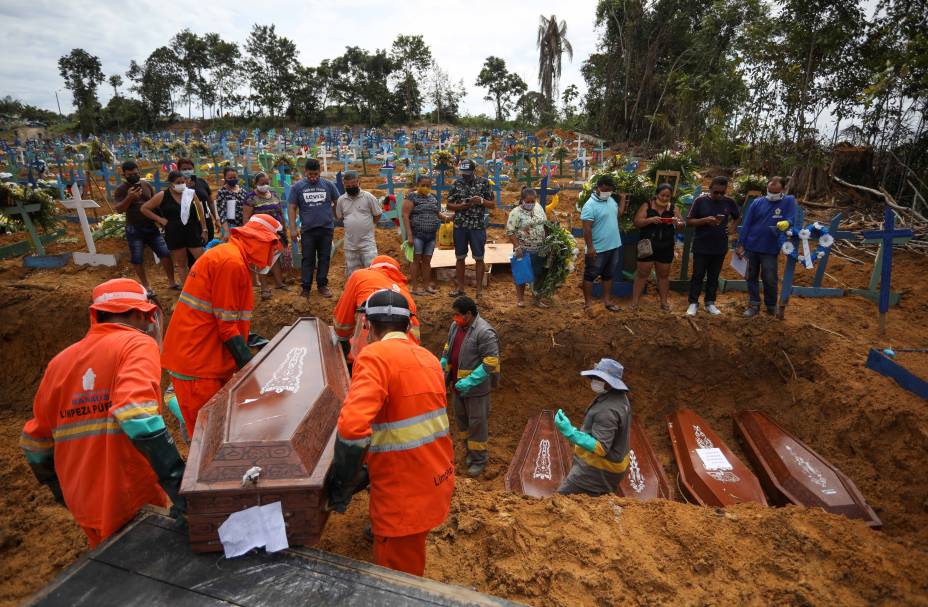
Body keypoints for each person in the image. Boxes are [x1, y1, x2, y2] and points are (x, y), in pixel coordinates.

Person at [20, 278, 186, 547]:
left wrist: (59, 489)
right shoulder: (136, 345)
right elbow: (135, 412)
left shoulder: (59, 362)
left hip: (82, 500)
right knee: (146, 573)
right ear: (139, 313)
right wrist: (177, 481)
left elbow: (34, 442)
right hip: (128, 494)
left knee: (110, 575)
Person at [325, 289, 454, 577]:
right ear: (408, 326)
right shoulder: (429, 359)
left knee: (398, 580)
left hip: (402, 497)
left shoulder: (374, 357)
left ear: (368, 326)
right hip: (435, 479)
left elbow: (351, 428)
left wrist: (342, 486)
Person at [161, 214, 284, 431]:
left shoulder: (229, 257)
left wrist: (256, 342)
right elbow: (226, 326)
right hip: (199, 364)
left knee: (214, 428)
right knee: (208, 435)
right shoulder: (231, 263)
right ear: (260, 241)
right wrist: (254, 371)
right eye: (273, 251)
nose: (272, 258)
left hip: (204, 357)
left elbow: (227, 318)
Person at [440, 296, 500, 477]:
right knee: (463, 422)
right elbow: (448, 346)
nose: (455, 318)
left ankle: (479, 459)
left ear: (468, 314)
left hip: (476, 390)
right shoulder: (455, 327)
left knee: (477, 424)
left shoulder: (485, 332)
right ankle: (469, 452)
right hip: (458, 387)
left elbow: (490, 362)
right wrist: (444, 359)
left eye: (458, 315)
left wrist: (471, 381)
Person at [554, 358, 631, 496]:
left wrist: (570, 432)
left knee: (560, 501)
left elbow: (600, 447)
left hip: (596, 471)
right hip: (613, 467)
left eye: (599, 378)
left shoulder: (607, 411)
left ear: (610, 383)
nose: (594, 381)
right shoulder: (620, 398)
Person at [333, 255, 421, 365]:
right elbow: (415, 335)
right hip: (409, 356)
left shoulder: (360, 276)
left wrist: (343, 343)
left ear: (373, 267)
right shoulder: (404, 292)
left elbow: (342, 321)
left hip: (370, 354)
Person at [736, 176, 797, 316]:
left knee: (769, 277)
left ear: (783, 189)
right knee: (750, 276)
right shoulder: (757, 202)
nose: (772, 194)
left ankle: (771, 306)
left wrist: (787, 223)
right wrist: (740, 243)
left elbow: (791, 218)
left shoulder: (788, 201)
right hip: (751, 246)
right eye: (770, 190)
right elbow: (747, 224)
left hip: (770, 248)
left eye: (775, 192)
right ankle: (754, 304)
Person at [113, 160, 177, 291]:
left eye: (136, 173)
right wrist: (130, 197)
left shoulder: (146, 185)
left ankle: (172, 282)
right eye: (130, 174)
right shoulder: (121, 190)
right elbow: (119, 209)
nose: (133, 176)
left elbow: (155, 204)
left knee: (165, 253)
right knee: (137, 258)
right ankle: (146, 286)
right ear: (124, 175)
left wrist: (161, 220)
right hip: (134, 228)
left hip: (151, 226)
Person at [140, 170, 207, 286]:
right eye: (178, 182)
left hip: (192, 230)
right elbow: (144, 208)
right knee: (181, 263)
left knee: (202, 260)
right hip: (174, 233)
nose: (181, 184)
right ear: (171, 183)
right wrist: (160, 220)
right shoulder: (162, 195)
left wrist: (204, 229)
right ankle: (187, 289)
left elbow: (201, 212)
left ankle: (206, 285)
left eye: (183, 181)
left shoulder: (190, 193)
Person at [686, 176, 740, 316]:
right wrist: (704, 220)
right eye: (716, 192)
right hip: (701, 244)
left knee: (714, 276)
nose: (719, 195)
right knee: (698, 275)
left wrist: (733, 227)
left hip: (720, 245)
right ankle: (693, 302)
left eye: (722, 192)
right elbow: (690, 221)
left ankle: (710, 302)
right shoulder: (700, 201)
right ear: (710, 188)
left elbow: (737, 217)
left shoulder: (729, 202)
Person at [288, 158, 341, 299]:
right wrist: (293, 228)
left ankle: (322, 285)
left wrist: (336, 214)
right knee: (308, 259)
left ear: (320, 172)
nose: (313, 177)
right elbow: (292, 207)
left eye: (316, 174)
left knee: (324, 258)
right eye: (310, 174)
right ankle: (306, 287)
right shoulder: (297, 187)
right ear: (305, 172)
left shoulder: (328, 185)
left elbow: (338, 201)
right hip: (308, 230)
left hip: (326, 228)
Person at [631, 183, 684, 311]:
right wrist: (650, 220)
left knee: (664, 274)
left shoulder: (673, 208)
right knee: (642, 273)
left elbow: (681, 225)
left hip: (665, 245)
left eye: (668, 196)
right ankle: (635, 302)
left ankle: (664, 302)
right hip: (647, 245)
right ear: (657, 194)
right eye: (662, 195)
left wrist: (678, 222)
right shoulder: (647, 205)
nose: (665, 198)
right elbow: (637, 222)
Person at [446, 159, 494, 299]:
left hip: (477, 226)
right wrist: (460, 206)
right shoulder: (456, 183)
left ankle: (479, 291)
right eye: (463, 173)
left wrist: (481, 201)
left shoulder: (484, 183)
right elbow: (449, 204)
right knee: (460, 257)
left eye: (468, 173)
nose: (465, 176)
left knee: (479, 258)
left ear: (474, 171)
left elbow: (492, 204)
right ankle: (460, 289)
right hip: (460, 225)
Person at [581, 175, 624, 312]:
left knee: (608, 275)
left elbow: (617, 214)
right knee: (590, 275)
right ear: (598, 187)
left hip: (613, 246)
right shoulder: (589, 205)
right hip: (598, 249)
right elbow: (586, 229)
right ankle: (588, 303)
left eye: (610, 190)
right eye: (605, 189)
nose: (607, 192)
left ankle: (607, 301)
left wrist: (622, 199)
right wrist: (591, 247)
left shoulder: (611, 200)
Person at [244, 172, 288, 299]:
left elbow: (280, 212)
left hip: (275, 232)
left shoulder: (273, 195)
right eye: (262, 183)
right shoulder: (250, 198)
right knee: (262, 260)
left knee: (275, 258)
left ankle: (279, 283)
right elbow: (246, 218)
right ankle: (264, 288)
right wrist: (250, 234)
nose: (265, 185)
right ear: (255, 183)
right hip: (259, 233)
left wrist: (284, 229)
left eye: (267, 183)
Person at [505, 188, 548, 307]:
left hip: (539, 248)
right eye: (527, 201)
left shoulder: (539, 208)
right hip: (523, 249)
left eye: (532, 201)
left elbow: (545, 224)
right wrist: (517, 247)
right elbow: (510, 231)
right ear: (522, 200)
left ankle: (537, 299)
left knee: (539, 274)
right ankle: (520, 299)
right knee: (522, 274)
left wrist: (548, 240)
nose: (530, 204)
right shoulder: (515, 212)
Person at [336, 171, 383, 276]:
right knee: (353, 275)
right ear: (344, 185)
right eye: (348, 186)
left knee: (372, 272)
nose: (351, 187)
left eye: (353, 185)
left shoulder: (368, 197)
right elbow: (340, 217)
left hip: (367, 243)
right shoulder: (341, 200)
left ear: (358, 182)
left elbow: (377, 214)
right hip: (350, 244)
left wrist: (370, 225)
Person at [402, 174, 442, 295]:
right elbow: (405, 215)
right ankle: (414, 288)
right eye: (422, 185)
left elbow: (437, 213)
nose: (425, 187)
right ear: (417, 185)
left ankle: (426, 286)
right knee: (416, 260)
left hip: (431, 235)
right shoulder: (411, 196)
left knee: (427, 261)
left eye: (428, 185)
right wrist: (409, 235)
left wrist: (447, 218)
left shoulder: (433, 197)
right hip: (417, 234)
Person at [178, 158, 218, 243]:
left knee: (208, 242)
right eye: (184, 169)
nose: (187, 171)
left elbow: (210, 202)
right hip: (191, 222)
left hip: (207, 219)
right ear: (179, 170)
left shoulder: (201, 182)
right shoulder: (178, 186)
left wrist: (216, 219)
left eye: (189, 169)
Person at [216, 166, 247, 240]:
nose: (233, 179)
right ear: (225, 178)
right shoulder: (222, 192)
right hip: (230, 227)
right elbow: (222, 213)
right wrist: (227, 231)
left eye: (234, 177)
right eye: (230, 178)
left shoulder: (243, 191)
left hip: (243, 227)